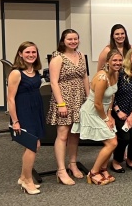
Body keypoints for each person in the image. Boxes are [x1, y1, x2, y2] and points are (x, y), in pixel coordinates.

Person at [46, 29, 89, 185]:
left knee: (75, 133)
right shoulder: (57, 58)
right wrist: (61, 104)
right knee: (63, 134)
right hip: (64, 98)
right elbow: (53, 82)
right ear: (63, 40)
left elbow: (84, 77)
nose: (73, 41)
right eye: (69, 39)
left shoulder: (80, 55)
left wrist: (89, 98)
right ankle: (61, 170)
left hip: (79, 98)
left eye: (75, 39)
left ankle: (73, 164)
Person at [71, 49, 121, 185]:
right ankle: (93, 172)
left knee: (113, 139)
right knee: (112, 143)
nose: (117, 63)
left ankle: (103, 169)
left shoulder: (115, 74)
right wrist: (105, 119)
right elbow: (98, 103)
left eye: (119, 60)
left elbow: (111, 96)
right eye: (114, 60)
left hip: (103, 112)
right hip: (92, 112)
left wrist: (110, 115)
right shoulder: (102, 77)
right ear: (108, 62)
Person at [7, 41, 45, 195]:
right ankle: (28, 181)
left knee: (34, 145)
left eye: (33, 52)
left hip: (36, 110)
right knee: (32, 146)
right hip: (23, 112)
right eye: (27, 52)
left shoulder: (35, 71)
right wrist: (15, 121)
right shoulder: (16, 73)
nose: (31, 55)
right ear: (20, 54)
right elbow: (10, 99)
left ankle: (23, 177)